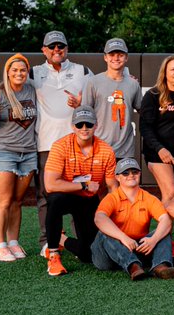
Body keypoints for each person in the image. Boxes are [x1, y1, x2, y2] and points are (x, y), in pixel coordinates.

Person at [0, 30, 91, 254]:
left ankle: (81, 239)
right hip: (45, 144)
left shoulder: (83, 71)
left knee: (80, 193)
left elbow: (104, 85)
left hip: (75, 143)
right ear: (44, 51)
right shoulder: (35, 73)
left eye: (61, 46)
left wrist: (126, 75)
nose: (57, 50)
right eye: (52, 47)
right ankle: (48, 241)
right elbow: (10, 86)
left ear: (67, 48)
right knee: (44, 197)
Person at [0, 53, 39, 262]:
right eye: (14, 70)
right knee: (3, 201)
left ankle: (13, 242)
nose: (19, 73)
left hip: (28, 152)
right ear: (7, 72)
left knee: (17, 201)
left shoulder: (32, 88)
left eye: (22, 70)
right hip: (1, 152)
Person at [43, 107, 118, 276]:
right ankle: (53, 254)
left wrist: (114, 213)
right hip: (66, 195)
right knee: (54, 200)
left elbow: (113, 188)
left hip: (89, 201)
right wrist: (83, 185)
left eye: (88, 124)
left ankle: (62, 239)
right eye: (79, 124)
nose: (84, 128)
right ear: (73, 126)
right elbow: (50, 185)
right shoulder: (60, 146)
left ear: (96, 125)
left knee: (88, 254)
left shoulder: (106, 150)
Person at [91, 158, 174, 280]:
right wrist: (123, 237)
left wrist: (153, 239)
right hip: (108, 256)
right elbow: (99, 218)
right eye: (125, 173)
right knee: (104, 233)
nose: (131, 175)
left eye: (134, 172)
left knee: (163, 233)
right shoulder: (112, 198)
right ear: (117, 177)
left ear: (139, 174)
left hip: (137, 247)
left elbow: (166, 220)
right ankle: (133, 266)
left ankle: (160, 266)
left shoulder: (148, 198)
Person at [139, 55, 174, 203]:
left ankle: (171, 227)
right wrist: (159, 149)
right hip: (158, 153)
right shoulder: (152, 95)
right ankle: (164, 227)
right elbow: (145, 128)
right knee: (170, 192)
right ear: (165, 73)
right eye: (173, 69)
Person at [81, 38, 142, 162]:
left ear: (126, 57)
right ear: (105, 57)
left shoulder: (133, 84)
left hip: (125, 150)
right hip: (99, 147)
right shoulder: (93, 82)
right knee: (99, 182)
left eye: (120, 55)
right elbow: (85, 116)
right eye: (112, 54)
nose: (116, 58)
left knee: (123, 181)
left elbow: (144, 110)